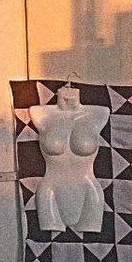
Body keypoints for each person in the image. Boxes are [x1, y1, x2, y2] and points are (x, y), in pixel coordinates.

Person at [28, 86, 108, 233]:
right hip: (50, 191)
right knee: (47, 243)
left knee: (95, 244)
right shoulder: (40, 113)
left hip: (89, 190)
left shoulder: (99, 113)